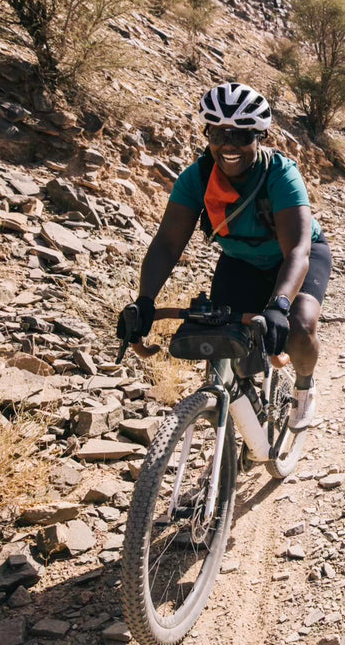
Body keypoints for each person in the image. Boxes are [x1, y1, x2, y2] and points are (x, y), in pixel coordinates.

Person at [118, 82, 328, 429]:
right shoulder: (197, 178)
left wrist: (279, 306)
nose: (229, 145)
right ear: (207, 134)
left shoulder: (281, 175)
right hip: (241, 261)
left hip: (295, 259)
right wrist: (144, 300)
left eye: (242, 136)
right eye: (219, 134)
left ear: (258, 137)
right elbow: (168, 244)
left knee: (300, 326)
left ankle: (304, 388)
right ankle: (241, 422)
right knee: (229, 347)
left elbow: (297, 251)